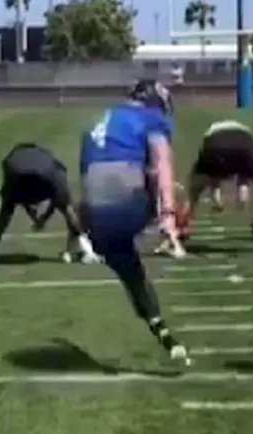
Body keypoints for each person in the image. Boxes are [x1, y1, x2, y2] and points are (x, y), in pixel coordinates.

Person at [80, 79, 190, 365]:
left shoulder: (101, 120)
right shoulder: (151, 117)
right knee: (155, 174)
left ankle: (159, 327)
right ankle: (161, 228)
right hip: (125, 192)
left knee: (129, 269)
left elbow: (86, 172)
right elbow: (161, 162)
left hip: (95, 206)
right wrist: (167, 213)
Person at [0, 142, 98, 266]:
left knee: (6, 211)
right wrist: (43, 218)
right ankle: (87, 250)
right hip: (46, 174)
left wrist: (38, 218)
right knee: (67, 207)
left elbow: (20, 196)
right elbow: (57, 200)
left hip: (16, 173)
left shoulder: (16, 160)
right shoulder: (51, 165)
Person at [172, 119, 253, 242]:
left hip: (215, 148)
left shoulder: (212, 130)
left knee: (192, 194)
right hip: (245, 148)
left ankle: (181, 228)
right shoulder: (244, 131)